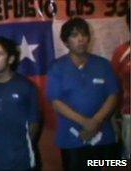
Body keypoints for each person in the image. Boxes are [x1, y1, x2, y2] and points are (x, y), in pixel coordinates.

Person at [47, 17, 120, 170]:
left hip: (103, 136)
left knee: (114, 165)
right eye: (74, 35)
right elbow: (56, 102)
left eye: (83, 34)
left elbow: (113, 95)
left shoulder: (103, 65)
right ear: (66, 42)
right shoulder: (57, 68)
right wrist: (85, 123)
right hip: (72, 138)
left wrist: (95, 122)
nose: (80, 39)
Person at [0, 36, 41, 170]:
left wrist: (22, 148)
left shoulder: (26, 87)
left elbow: (34, 125)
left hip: (22, 161)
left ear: (11, 59)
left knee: (93, 162)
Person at [111, 9, 130, 159]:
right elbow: (114, 88)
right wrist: (114, 118)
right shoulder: (121, 52)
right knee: (123, 161)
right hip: (129, 115)